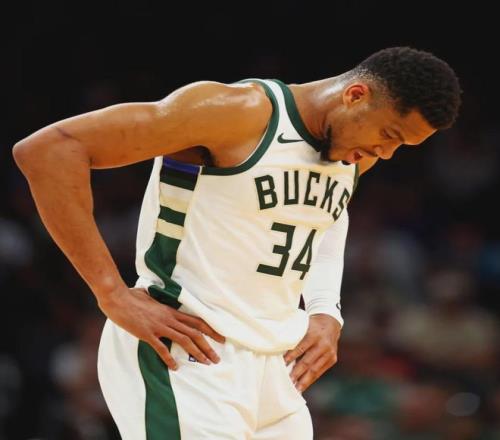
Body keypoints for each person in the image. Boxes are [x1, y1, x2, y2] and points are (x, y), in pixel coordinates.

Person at [13, 46, 461, 439]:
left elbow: (326, 216)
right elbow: (50, 150)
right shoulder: (235, 113)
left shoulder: (352, 148)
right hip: (187, 351)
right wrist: (110, 292)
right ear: (356, 95)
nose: (386, 153)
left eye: (401, 146)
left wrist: (326, 309)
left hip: (274, 367)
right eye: (389, 135)